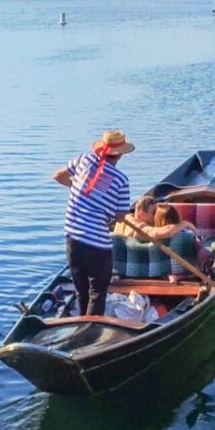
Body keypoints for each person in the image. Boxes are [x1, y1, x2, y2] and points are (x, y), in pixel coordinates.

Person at [53, 129, 134, 316]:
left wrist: (79, 189)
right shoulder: (121, 180)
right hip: (98, 244)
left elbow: (58, 176)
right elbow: (120, 217)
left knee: (81, 290)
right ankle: (91, 333)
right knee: (97, 292)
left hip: (72, 238)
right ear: (120, 154)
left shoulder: (83, 160)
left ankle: (82, 327)